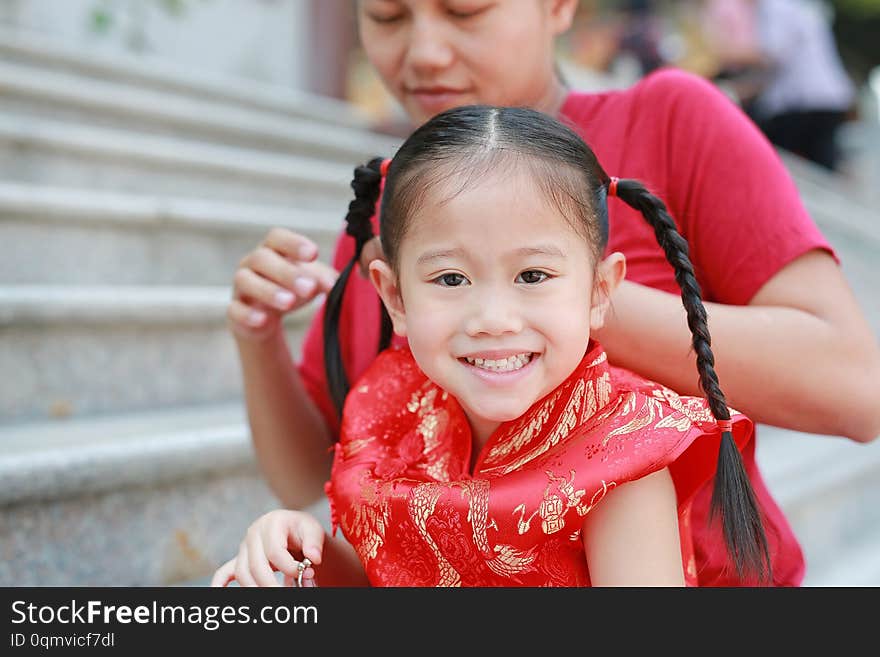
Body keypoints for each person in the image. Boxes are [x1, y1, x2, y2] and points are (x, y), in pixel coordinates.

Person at [225, 0, 880, 587]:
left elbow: (857, 391)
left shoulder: (668, 122)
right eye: (388, 17)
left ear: (560, 6)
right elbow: (315, 469)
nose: (422, 52)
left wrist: (547, 303)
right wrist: (257, 337)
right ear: (391, 292)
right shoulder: (392, 210)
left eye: (465, 11)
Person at [214, 105, 771, 587]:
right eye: (451, 280)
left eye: (532, 276)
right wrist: (304, 550)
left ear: (600, 291)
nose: (492, 320)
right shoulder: (387, 407)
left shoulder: (622, 456)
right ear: (395, 297)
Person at [750, 0, 857, 171]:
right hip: (830, 98)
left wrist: (726, 57)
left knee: (773, 163)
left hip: (802, 101)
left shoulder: (776, 6)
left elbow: (773, 54)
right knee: (821, 170)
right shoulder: (802, 6)